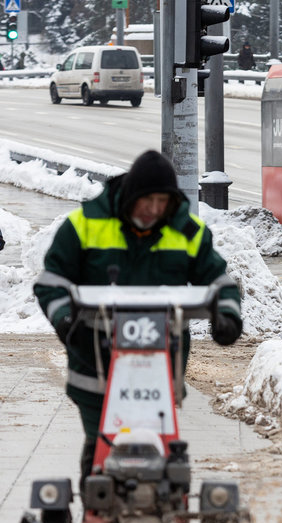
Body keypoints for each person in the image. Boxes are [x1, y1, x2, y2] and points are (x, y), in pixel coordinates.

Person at [33, 150, 243, 484]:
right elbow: (51, 282)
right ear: (131, 196)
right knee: (102, 447)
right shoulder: (85, 224)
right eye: (148, 201)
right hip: (93, 362)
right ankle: (97, 494)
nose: (155, 210)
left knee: (157, 442)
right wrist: (64, 320)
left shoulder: (187, 233)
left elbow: (219, 281)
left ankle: (165, 498)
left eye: (163, 202)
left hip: (159, 368)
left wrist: (227, 315)